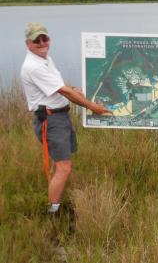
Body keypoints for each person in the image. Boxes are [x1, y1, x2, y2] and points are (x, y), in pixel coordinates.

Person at [20, 22, 110, 214]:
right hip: (50, 121)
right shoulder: (34, 66)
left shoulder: (45, 59)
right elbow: (63, 91)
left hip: (59, 117)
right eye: (37, 40)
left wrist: (73, 90)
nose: (42, 42)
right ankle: (53, 212)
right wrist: (92, 106)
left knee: (59, 163)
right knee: (64, 167)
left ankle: (54, 201)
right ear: (28, 43)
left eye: (45, 38)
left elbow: (58, 87)